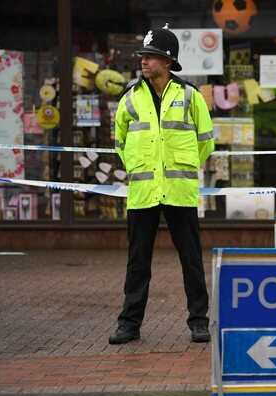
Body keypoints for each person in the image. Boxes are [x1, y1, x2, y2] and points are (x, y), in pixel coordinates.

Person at [109, 23, 214, 345]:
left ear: (167, 62)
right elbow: (120, 143)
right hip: (143, 192)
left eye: (150, 57)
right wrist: (140, 169)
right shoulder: (130, 98)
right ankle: (129, 325)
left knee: (191, 260)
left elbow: (206, 141)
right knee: (137, 262)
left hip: (180, 191)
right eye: (142, 56)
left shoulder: (190, 96)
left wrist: (185, 166)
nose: (143, 61)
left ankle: (199, 322)